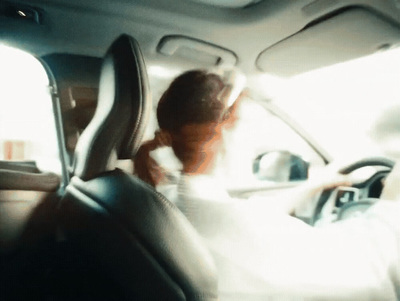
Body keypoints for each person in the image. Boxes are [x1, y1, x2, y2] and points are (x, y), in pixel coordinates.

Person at [134, 70, 400, 301]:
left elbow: (252, 220)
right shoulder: (224, 220)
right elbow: (360, 272)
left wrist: (313, 185)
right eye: (242, 123)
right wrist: (389, 205)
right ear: (218, 132)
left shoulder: (171, 197)